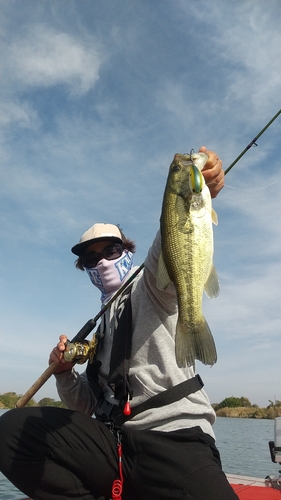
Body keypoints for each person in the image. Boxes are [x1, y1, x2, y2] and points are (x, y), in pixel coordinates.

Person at [0, 147, 238, 500]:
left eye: (111, 250)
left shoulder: (151, 287)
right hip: (116, 443)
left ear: (127, 251)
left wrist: (198, 188)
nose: (102, 261)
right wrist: (64, 373)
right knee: (11, 433)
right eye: (91, 258)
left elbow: (170, 240)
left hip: (174, 438)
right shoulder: (102, 328)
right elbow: (88, 405)